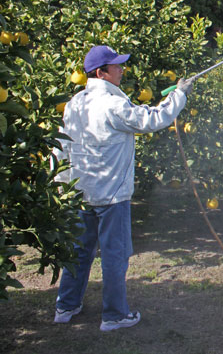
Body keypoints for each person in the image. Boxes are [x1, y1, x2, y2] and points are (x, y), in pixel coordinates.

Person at [52, 45, 192, 331]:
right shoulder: (112, 104)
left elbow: (62, 145)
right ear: (101, 73)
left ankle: (66, 307)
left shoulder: (76, 102)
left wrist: (60, 184)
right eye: (116, 66)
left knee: (78, 252)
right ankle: (114, 315)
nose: (122, 70)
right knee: (114, 256)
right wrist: (179, 95)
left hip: (80, 192)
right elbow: (151, 119)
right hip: (111, 195)